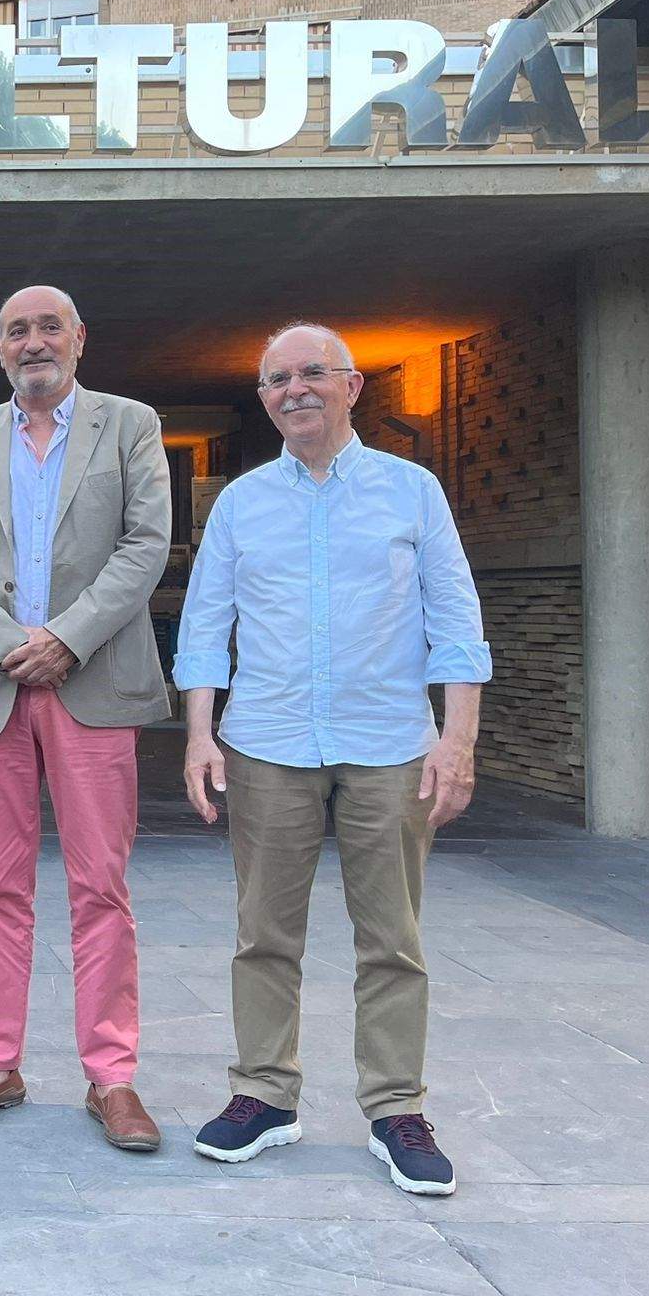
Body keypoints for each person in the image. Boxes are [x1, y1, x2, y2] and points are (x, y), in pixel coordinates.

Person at [176, 321, 490, 1197]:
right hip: (268, 744)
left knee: (393, 940)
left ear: (354, 386)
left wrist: (456, 743)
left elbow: (456, 624)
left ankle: (395, 1108)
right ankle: (263, 1095)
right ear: (266, 397)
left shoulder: (412, 492)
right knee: (262, 935)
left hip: (390, 745)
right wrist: (201, 733)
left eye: (314, 373)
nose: (295, 390)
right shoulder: (241, 502)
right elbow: (206, 625)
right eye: (277, 379)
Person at [0, 285, 171, 1150]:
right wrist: (4, 642)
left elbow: (147, 544)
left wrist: (64, 638)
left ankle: (113, 1077)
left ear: (79, 338)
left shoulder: (129, 425)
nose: (34, 342)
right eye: (17, 330)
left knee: (102, 885)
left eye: (48, 327)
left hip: (92, 681)